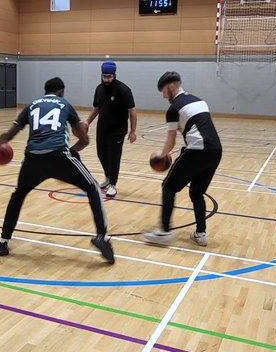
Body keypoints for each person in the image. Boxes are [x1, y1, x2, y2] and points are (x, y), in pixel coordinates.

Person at [0, 77, 115, 264]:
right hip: (58, 156)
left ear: (45, 90)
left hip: (32, 158)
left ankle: (3, 241)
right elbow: (85, 140)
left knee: (18, 195)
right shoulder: (64, 104)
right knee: (92, 187)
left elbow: (10, 134)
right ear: (61, 91)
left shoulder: (32, 104)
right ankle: (101, 237)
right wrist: (71, 154)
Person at [142, 71, 223, 247]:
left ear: (171, 86)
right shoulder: (199, 101)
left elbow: (170, 142)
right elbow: (199, 131)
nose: (164, 96)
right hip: (215, 151)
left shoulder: (173, 108)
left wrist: (161, 155)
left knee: (168, 187)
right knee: (196, 193)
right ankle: (200, 233)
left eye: (163, 91)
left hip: (197, 151)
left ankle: (164, 231)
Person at [84, 60, 137, 199]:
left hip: (118, 130)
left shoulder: (123, 90)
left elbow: (132, 111)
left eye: (109, 76)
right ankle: (108, 178)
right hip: (102, 128)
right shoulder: (99, 89)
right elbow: (96, 108)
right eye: (104, 76)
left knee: (114, 157)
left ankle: (113, 184)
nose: (106, 79)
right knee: (101, 153)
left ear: (114, 75)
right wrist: (87, 122)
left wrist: (132, 131)